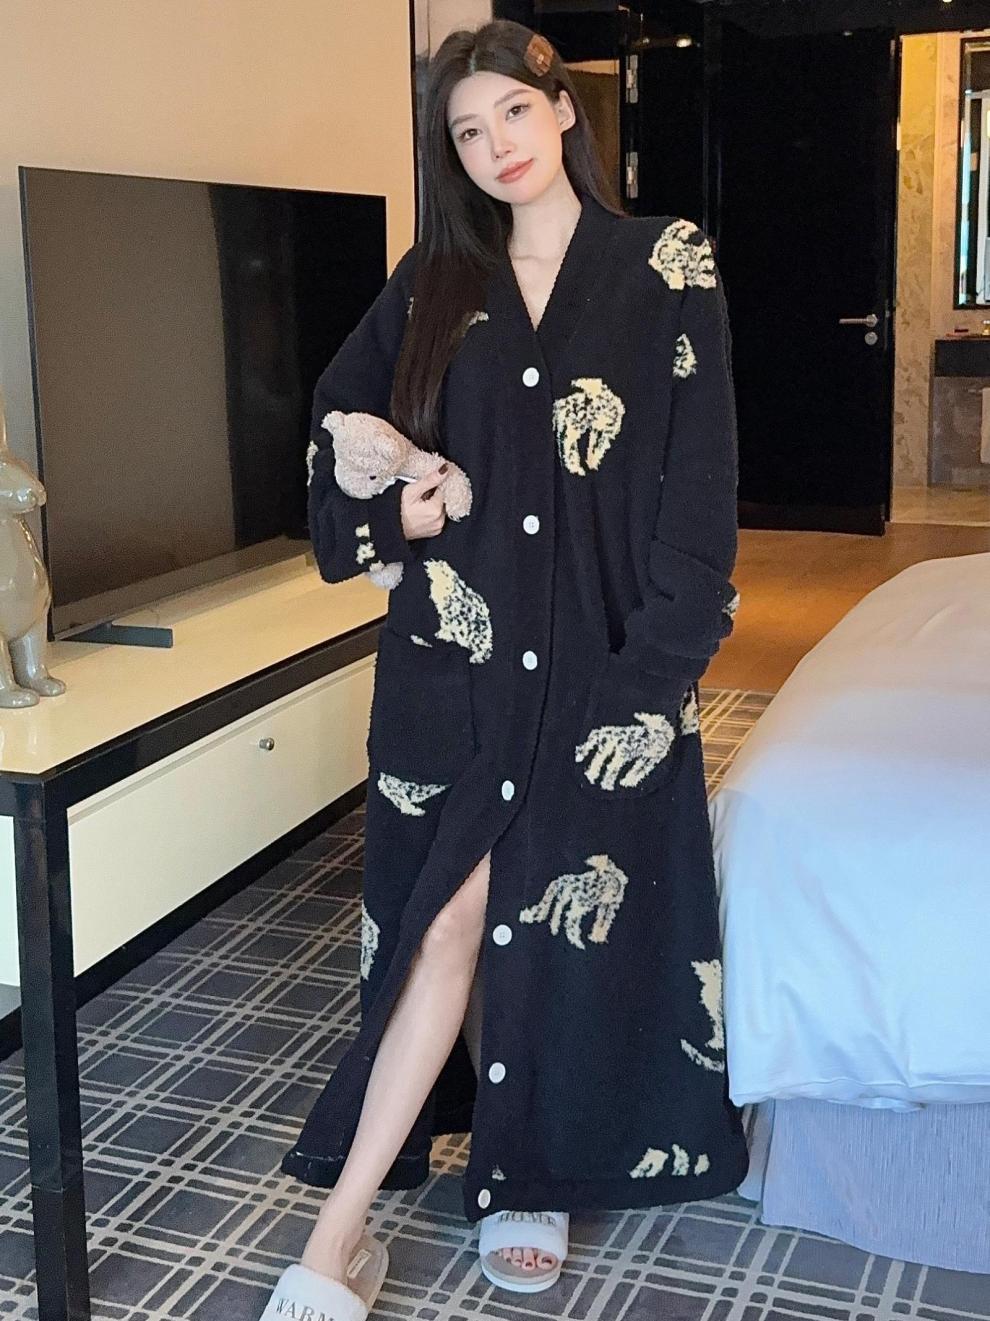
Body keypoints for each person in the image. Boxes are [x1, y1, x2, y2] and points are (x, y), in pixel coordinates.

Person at [261, 18, 747, 1321]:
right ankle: (356, 1229)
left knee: (521, 921)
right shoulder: (432, 281)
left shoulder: (664, 263)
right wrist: (396, 512)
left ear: (563, 110)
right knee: (447, 923)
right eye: (466, 134)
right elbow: (329, 440)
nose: (495, 149)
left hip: (597, 677)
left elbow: (699, 499)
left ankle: (414, 1208)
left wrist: (652, 681)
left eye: (513, 115)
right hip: (452, 671)